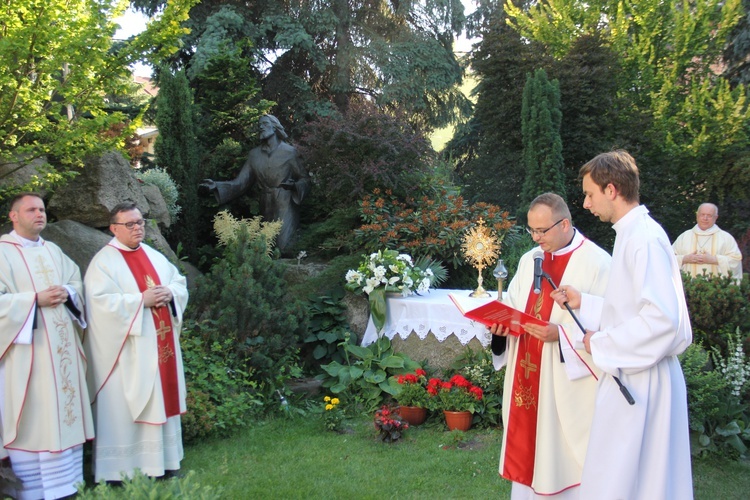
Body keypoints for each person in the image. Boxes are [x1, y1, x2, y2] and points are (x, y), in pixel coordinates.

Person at [559, 150, 693, 499]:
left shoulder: (644, 239)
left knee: (638, 477)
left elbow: (662, 320)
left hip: (643, 378)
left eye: (590, 194)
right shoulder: (631, 234)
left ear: (612, 190)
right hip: (633, 371)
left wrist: (599, 344)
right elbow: (631, 309)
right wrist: (584, 302)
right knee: (619, 474)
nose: (586, 204)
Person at [489, 193, 611, 499]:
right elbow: (516, 306)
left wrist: (562, 335)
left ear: (565, 223)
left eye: (542, 231)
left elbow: (610, 327)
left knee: (561, 456)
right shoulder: (529, 260)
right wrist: (501, 329)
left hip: (565, 381)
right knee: (528, 449)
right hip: (526, 373)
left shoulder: (598, 264)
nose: (536, 237)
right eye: (532, 230)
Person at [83, 202, 189, 482]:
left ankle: (164, 464)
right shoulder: (103, 263)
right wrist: (140, 301)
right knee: (125, 407)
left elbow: (179, 282)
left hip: (159, 347)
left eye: (140, 222)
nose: (137, 228)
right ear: (114, 228)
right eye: (129, 224)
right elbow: (98, 305)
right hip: (127, 354)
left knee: (161, 399)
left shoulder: (153, 255)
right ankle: (121, 470)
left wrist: (170, 292)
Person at [0, 193, 94, 499]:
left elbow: (75, 282)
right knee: (34, 416)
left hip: (61, 349)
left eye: (42, 209)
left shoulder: (54, 250)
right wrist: (33, 301)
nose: (39, 214)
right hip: (27, 355)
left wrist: (67, 292)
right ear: (14, 216)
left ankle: (66, 487)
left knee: (62, 412)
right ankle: (32, 490)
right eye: (31, 209)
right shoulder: (2, 254)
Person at [200, 114, 310, 251]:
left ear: (275, 127)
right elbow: (240, 183)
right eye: (259, 125)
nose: (261, 127)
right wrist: (216, 186)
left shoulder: (290, 152)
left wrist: (294, 186)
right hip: (265, 203)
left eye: (264, 124)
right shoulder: (254, 155)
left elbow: (304, 179)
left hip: (285, 203)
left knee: (284, 247)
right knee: (266, 248)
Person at [672, 202, 743, 283]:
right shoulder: (684, 237)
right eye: (702, 214)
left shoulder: (726, 238)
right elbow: (669, 258)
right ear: (697, 216)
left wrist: (714, 260)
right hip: (688, 288)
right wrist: (685, 259)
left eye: (709, 215)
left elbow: (736, 260)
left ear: (716, 217)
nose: (705, 218)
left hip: (716, 289)